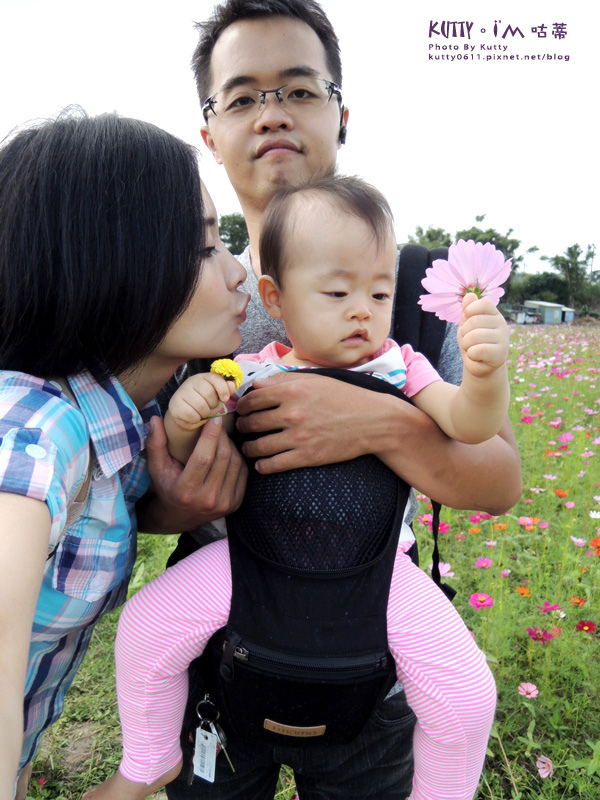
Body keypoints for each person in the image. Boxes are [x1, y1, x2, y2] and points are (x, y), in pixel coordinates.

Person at [149, 0, 522, 797]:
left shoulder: (416, 295)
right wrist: (186, 499)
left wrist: (380, 423)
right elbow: (138, 492)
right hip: (220, 641)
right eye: (242, 96)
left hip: (369, 645)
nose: (272, 113)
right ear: (208, 133)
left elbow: (498, 482)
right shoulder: (185, 296)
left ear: (342, 113)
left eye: (299, 89)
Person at [86, 175, 506, 800]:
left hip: (377, 577)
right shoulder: (251, 369)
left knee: (469, 694)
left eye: (380, 292)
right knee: (146, 625)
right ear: (274, 298)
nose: (363, 309)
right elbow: (186, 456)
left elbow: (472, 425)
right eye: (337, 292)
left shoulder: (402, 366)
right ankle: (147, 761)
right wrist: (186, 416)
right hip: (250, 563)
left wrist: (485, 375)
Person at [0, 109, 249, 800]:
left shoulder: (132, 414)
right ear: (112, 260)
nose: (239, 276)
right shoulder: (31, 434)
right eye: (206, 249)